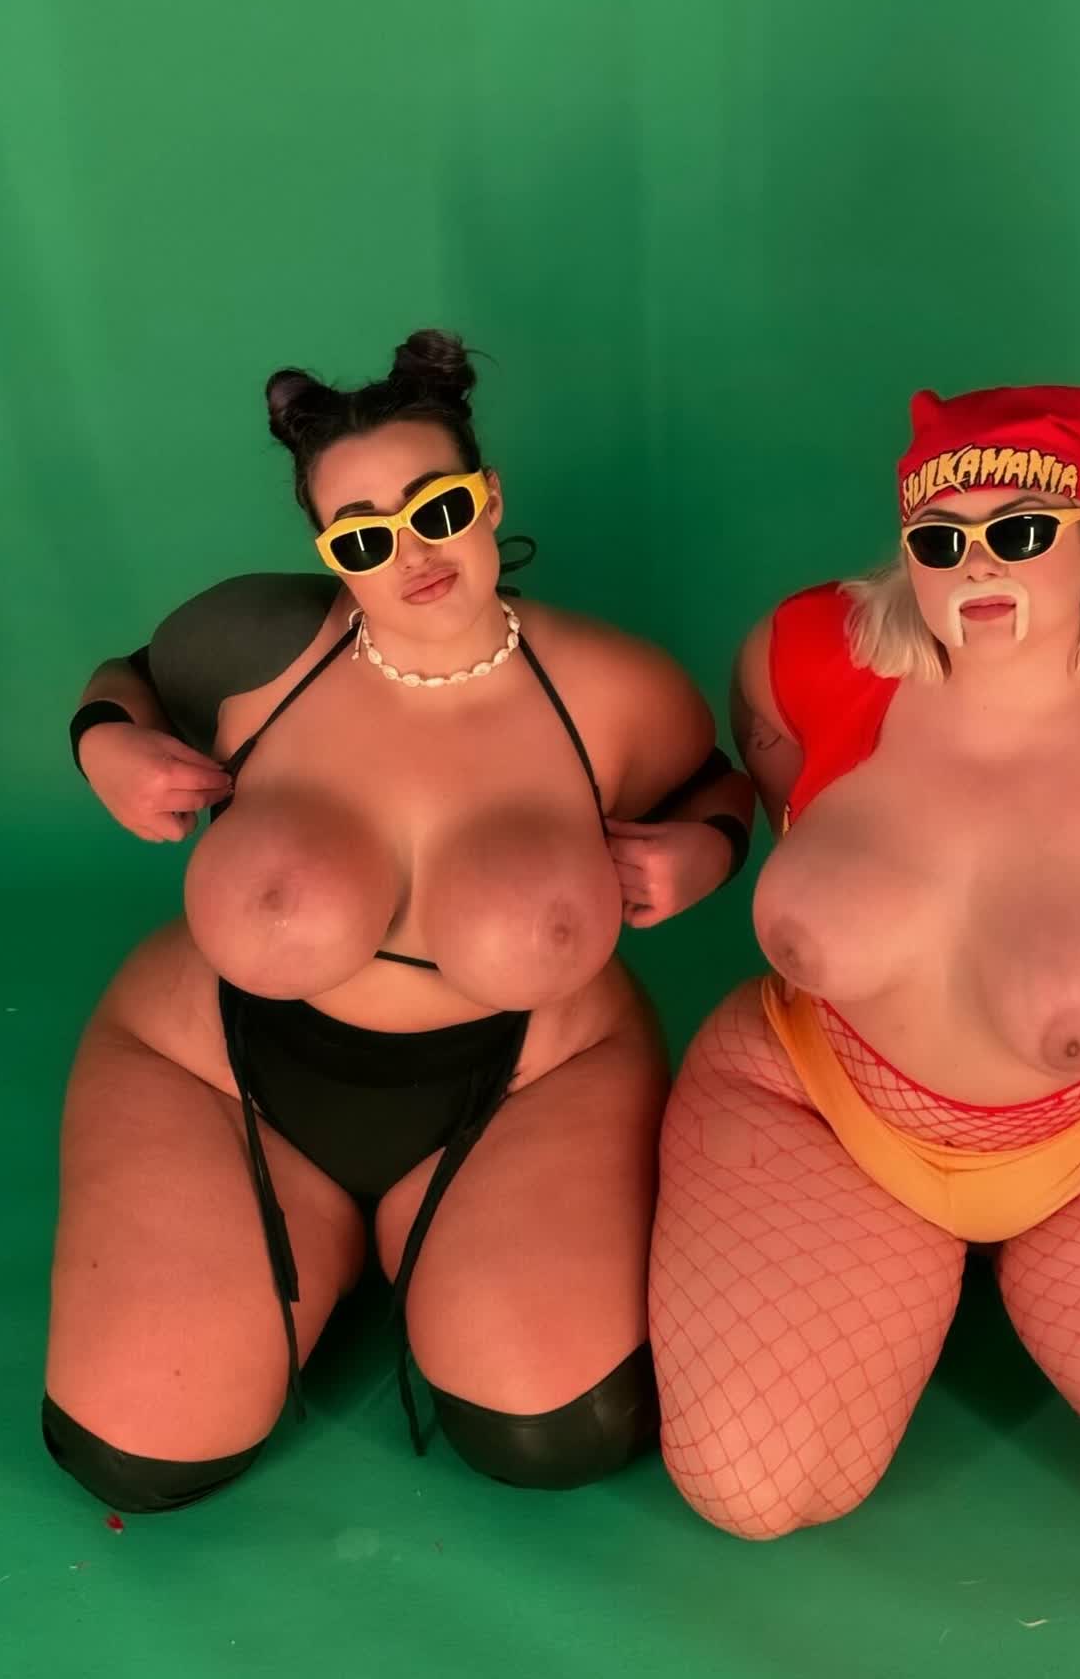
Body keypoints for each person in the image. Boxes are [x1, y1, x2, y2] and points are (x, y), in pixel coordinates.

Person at [49, 329, 753, 1512]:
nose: (412, 553)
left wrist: (705, 852)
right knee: (137, 1452)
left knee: (558, 1433)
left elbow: (718, 786)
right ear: (330, 553)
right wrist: (104, 744)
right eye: (364, 536)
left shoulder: (616, 689)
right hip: (213, 1063)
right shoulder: (256, 645)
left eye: (438, 509)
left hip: (530, 1077)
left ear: (489, 497)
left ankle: (423, 1243)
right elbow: (128, 677)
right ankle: (297, 1241)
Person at [650, 383, 1080, 1547]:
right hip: (821, 1107)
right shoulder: (808, 655)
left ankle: (1013, 1267)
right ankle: (892, 1261)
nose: (979, 562)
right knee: (755, 1487)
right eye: (941, 541)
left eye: (1021, 531)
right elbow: (765, 743)